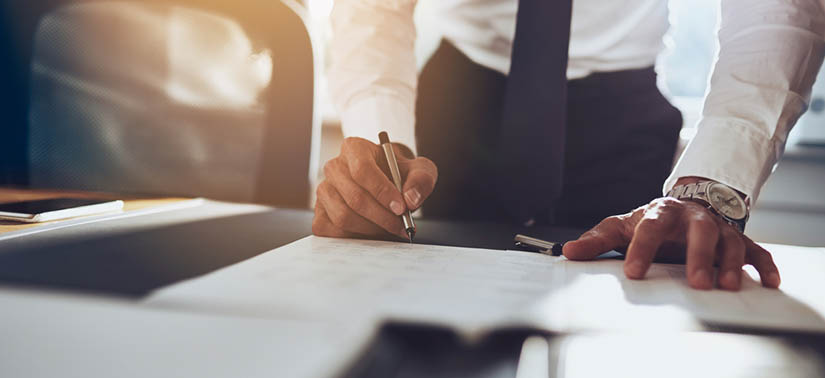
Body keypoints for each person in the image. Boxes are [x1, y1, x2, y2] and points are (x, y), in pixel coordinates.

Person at [313, 0, 824, 291]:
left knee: (627, 304)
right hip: (460, 100)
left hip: (622, 114)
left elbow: (779, 9)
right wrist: (378, 135)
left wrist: (711, 187)